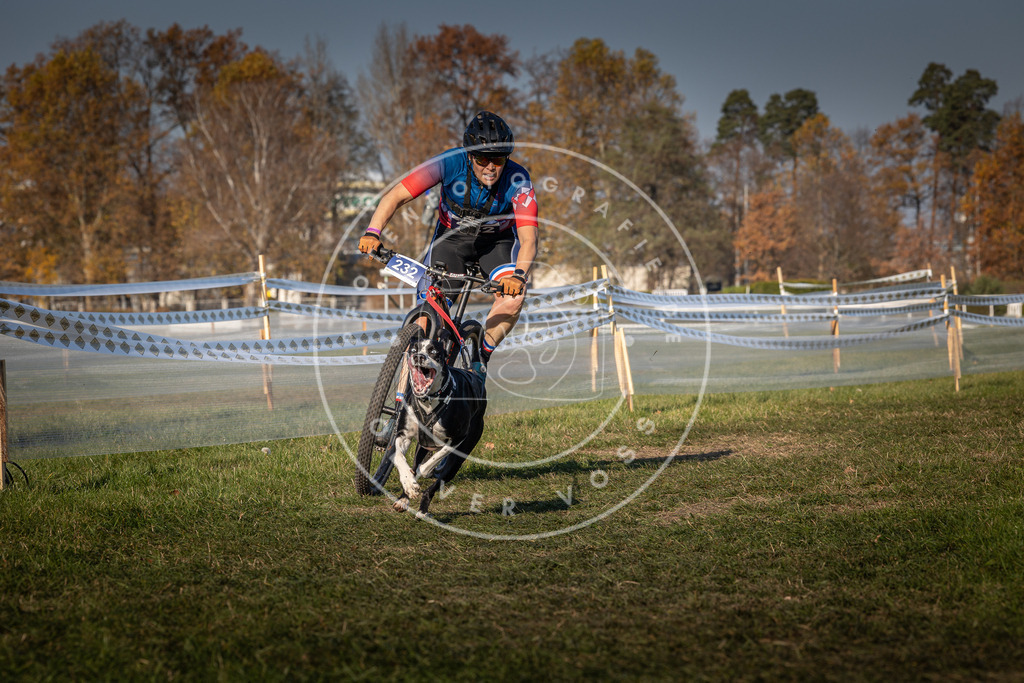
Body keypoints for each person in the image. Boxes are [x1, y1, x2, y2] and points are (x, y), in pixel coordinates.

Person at [358, 111, 538, 373]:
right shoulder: (448, 163)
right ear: (469, 155)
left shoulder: (517, 180)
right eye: (482, 158)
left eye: (498, 159)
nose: (490, 167)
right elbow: (395, 196)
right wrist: (373, 232)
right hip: (450, 240)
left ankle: (481, 355)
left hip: (496, 244)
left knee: (514, 297)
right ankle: (402, 403)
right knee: (424, 319)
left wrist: (519, 276)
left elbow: (529, 238)